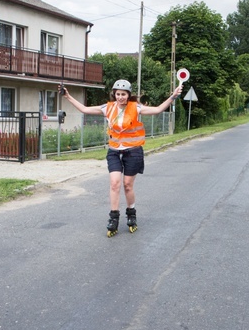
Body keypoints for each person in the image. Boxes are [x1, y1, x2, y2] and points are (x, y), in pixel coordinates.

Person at [60, 80, 182, 237]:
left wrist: (173, 96)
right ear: (114, 94)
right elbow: (84, 109)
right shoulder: (108, 108)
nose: (120, 97)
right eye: (117, 94)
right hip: (114, 152)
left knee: (127, 185)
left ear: (128, 95)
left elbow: (157, 110)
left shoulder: (136, 108)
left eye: (123, 94)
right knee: (114, 183)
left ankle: (131, 213)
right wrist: (68, 96)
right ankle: (114, 217)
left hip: (133, 152)